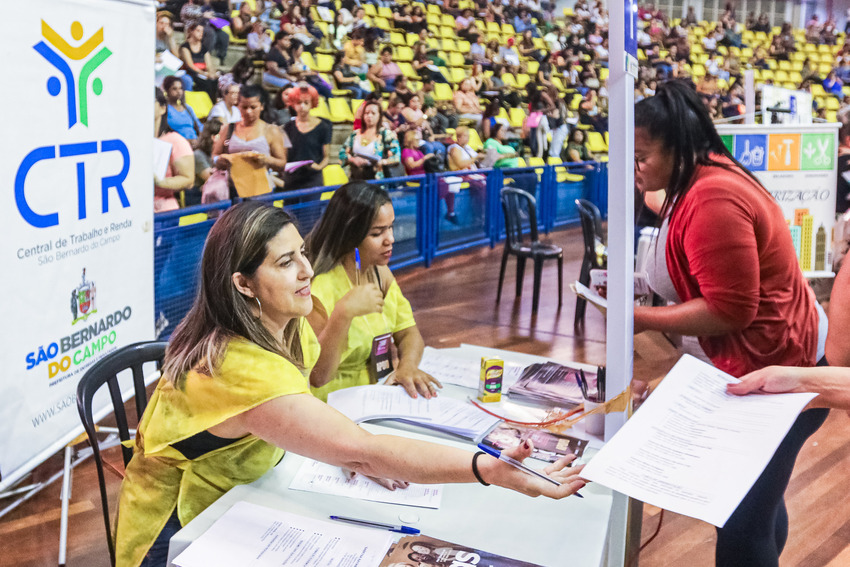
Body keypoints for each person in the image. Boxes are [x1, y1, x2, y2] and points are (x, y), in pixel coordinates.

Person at [114, 200, 587, 567]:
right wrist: (491, 469)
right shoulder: (238, 366)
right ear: (243, 284)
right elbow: (362, 447)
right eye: (285, 263)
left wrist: (343, 447)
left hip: (245, 490)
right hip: (178, 529)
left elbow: (310, 404)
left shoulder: (289, 321)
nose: (305, 271)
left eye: (302, 252)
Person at [632, 80, 829, 567]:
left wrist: (634, 319)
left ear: (677, 150)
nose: (634, 167)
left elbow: (730, 309)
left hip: (782, 370)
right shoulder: (697, 178)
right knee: (758, 504)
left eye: (641, 156)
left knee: (742, 521)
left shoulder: (714, 200)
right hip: (772, 361)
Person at [305, 182, 437, 401]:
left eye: (391, 227)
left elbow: (408, 332)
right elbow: (318, 376)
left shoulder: (380, 273)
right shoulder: (319, 289)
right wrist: (343, 314)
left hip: (375, 394)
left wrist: (407, 366)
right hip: (334, 403)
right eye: (377, 233)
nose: (390, 239)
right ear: (350, 236)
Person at [212, 85, 287, 194]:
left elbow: (282, 163)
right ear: (238, 106)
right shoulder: (229, 128)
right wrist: (220, 160)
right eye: (244, 107)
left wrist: (266, 160)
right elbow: (214, 155)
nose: (248, 112)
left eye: (253, 107)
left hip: (261, 191)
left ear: (262, 106)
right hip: (233, 190)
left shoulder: (271, 130)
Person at [282, 84, 332, 191]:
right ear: (293, 104)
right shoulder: (287, 127)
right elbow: (284, 156)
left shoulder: (323, 127)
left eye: (306, 103)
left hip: (313, 179)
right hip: (292, 179)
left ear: (312, 103)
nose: (302, 106)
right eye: (299, 103)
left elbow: (326, 156)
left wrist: (318, 167)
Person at [339, 99, 401, 181]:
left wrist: (380, 162)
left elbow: (396, 157)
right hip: (355, 180)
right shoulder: (354, 134)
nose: (369, 116)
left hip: (377, 179)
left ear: (379, 116)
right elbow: (342, 154)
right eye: (366, 113)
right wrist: (353, 159)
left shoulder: (387, 134)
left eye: (373, 113)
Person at [154, 88, 194, 213]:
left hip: (164, 213)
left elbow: (188, 180)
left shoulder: (175, 141)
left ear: (162, 108)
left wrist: (161, 182)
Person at [179, 22, 219, 100]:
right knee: (204, 82)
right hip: (192, 72)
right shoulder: (185, 47)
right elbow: (190, 65)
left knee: (214, 80)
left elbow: (209, 64)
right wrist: (203, 73)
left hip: (203, 72)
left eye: (202, 31)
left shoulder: (204, 48)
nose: (201, 33)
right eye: (198, 31)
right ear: (191, 31)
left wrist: (211, 73)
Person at [191, 117, 223, 206]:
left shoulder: (216, 153)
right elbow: (212, 179)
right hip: (197, 201)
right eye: (223, 135)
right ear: (214, 137)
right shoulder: (198, 155)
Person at [162, 76, 203, 142]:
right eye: (174, 89)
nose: (179, 91)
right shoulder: (165, 109)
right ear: (167, 90)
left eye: (180, 88)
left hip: (196, 143)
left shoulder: (187, 108)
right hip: (178, 145)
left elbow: (200, 127)